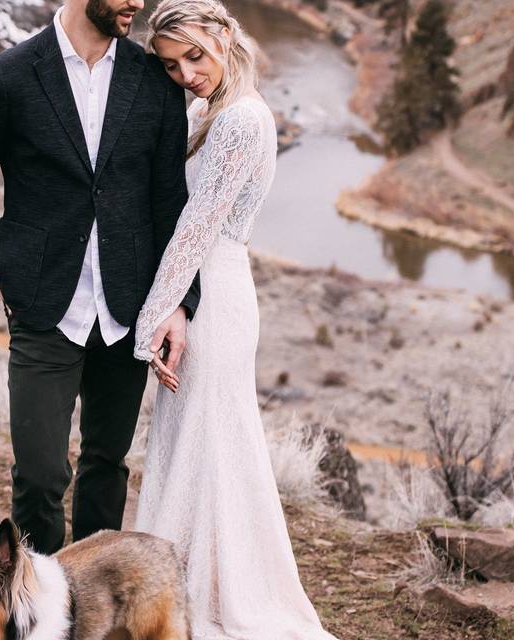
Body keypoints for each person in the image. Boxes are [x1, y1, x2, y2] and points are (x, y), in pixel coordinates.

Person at [0, 0, 200, 555]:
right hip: (43, 309)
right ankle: (39, 609)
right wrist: (1, 270)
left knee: (106, 467)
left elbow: (170, 199)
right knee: (39, 476)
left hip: (128, 306)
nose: (137, 3)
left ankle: (92, 604)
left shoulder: (153, 81)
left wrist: (178, 299)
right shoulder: (8, 76)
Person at [132, 0, 339, 637]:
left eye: (194, 55)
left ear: (224, 37)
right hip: (200, 288)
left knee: (211, 437)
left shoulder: (243, 120)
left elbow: (197, 228)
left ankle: (203, 599)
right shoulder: (206, 112)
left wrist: (156, 316)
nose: (186, 74)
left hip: (214, 294)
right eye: (170, 65)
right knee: (191, 439)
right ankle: (179, 589)